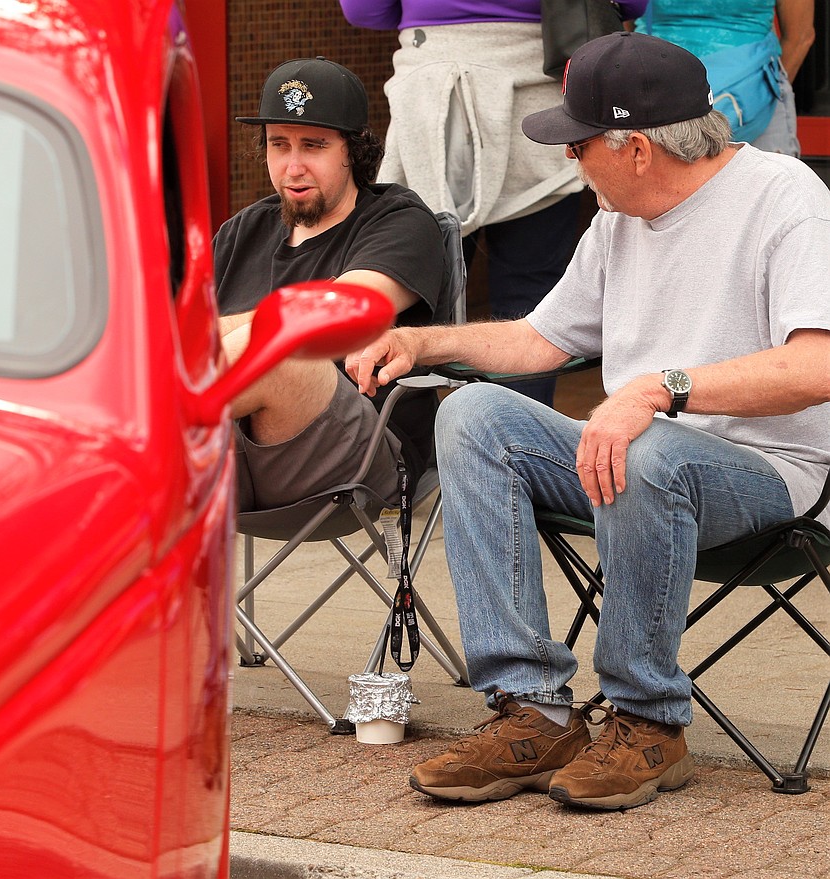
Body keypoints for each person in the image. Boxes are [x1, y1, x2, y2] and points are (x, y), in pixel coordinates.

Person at [347, 31, 830, 810]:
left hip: (774, 480)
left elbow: (817, 367)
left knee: (647, 446)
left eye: (578, 145)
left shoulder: (785, 197)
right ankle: (532, 709)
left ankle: (647, 720)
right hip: (634, 462)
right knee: (472, 414)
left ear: (635, 148)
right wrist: (419, 338)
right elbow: (539, 339)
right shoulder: (616, 219)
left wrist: (658, 389)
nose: (567, 160)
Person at [337, 0, 649, 407]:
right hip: (535, 89)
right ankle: (516, 452)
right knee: (532, 296)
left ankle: (405, 452)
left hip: (429, 94)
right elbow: (631, 3)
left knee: (413, 291)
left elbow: (365, 11)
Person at [215, 57, 451, 513]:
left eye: (314, 145)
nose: (294, 166)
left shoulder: (399, 220)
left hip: (356, 463)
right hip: (228, 455)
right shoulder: (243, 230)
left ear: (353, 151)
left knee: (284, 348)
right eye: (279, 145)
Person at [637, 0, 815, 156]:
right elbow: (800, 37)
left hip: (657, 95)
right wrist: (760, 93)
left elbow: (621, 23)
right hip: (754, 95)